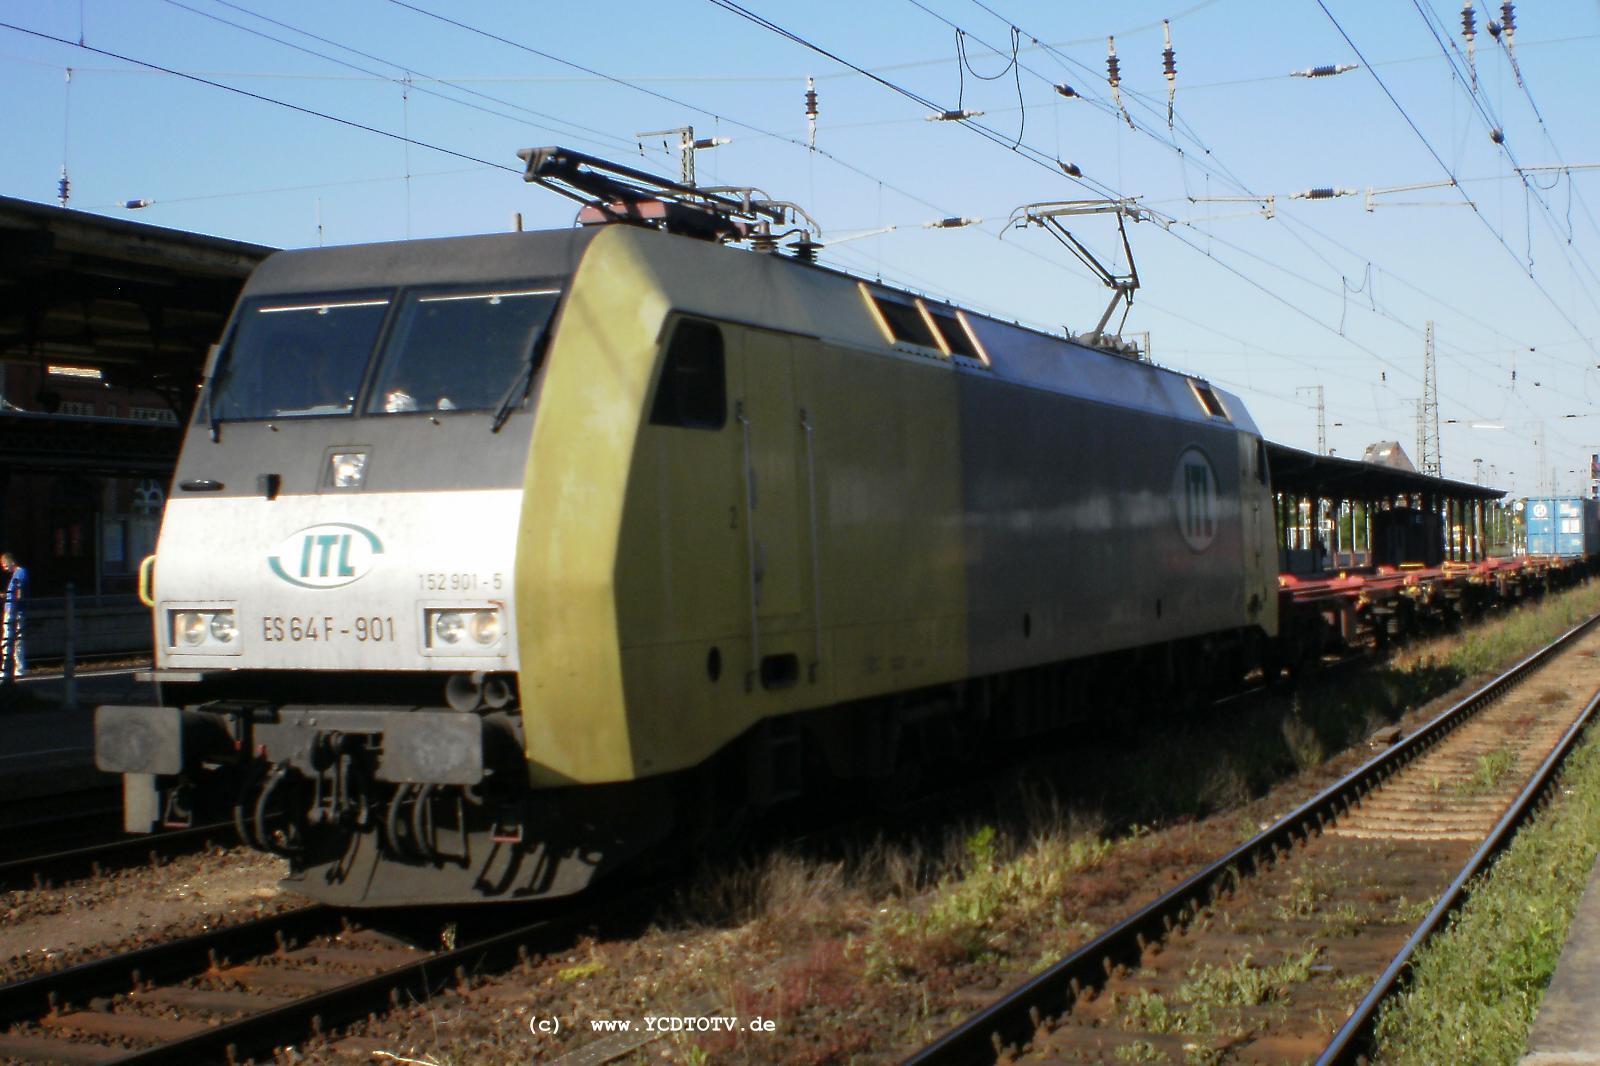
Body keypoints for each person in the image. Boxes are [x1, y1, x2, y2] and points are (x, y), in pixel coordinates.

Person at [1, 552, 25, 681]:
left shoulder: (20, 573)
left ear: (11, 562)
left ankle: (16, 668)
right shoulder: (16, 574)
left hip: (15, 611)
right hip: (11, 610)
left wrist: (13, 599)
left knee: (14, 640)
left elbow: (19, 591)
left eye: (5, 565)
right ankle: (10, 668)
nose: (4, 568)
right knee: (10, 640)